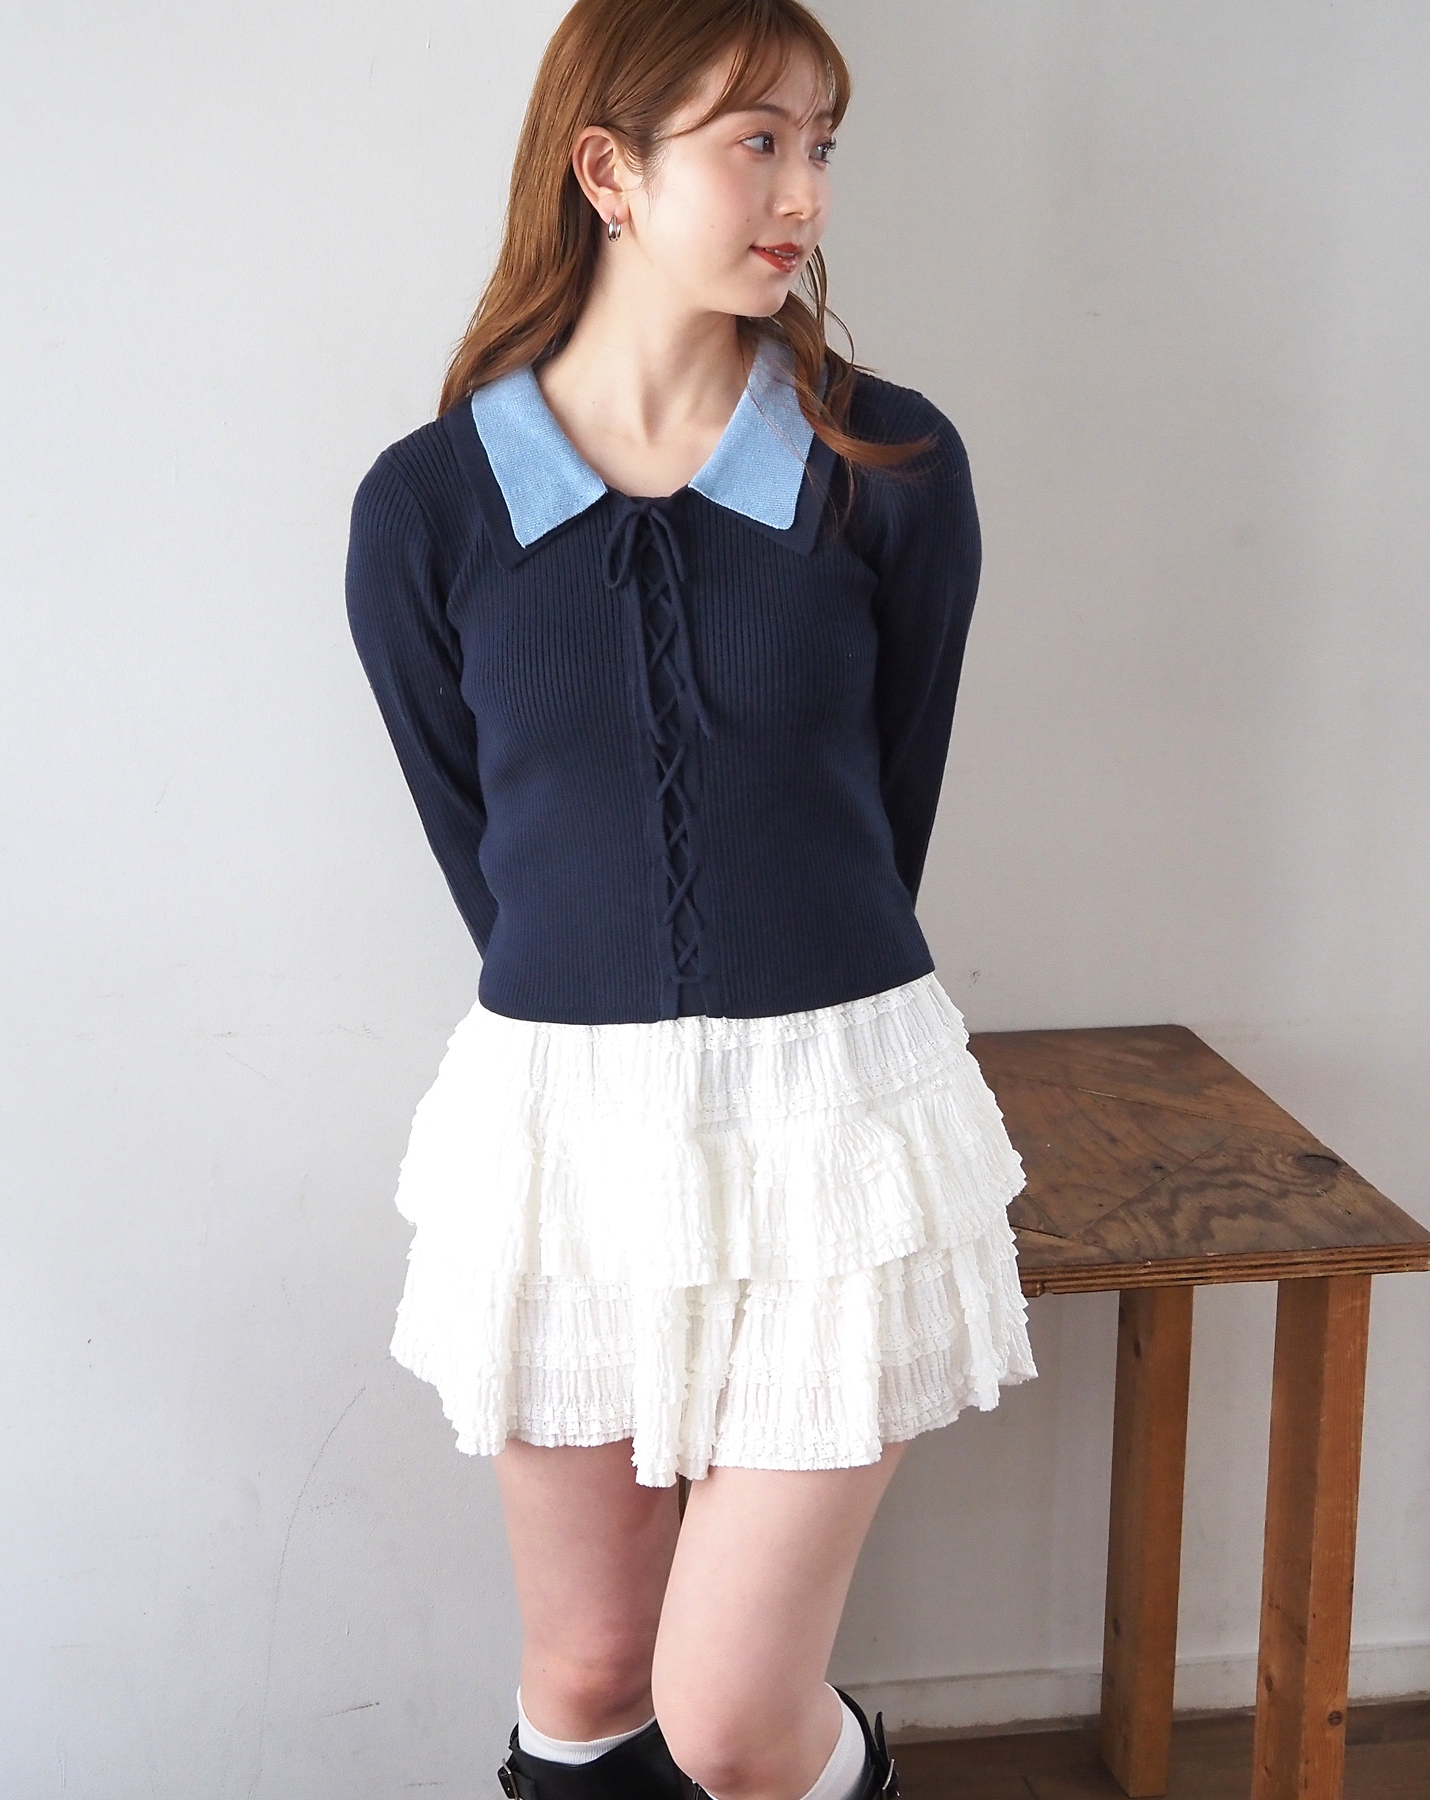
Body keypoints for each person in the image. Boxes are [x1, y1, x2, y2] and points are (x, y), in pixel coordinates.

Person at [344, 2, 1036, 1796]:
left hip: (834, 1118)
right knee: (586, 1680)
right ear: (609, 171)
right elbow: (489, 855)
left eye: (823, 146)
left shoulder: (890, 468)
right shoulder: (427, 511)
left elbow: (885, 809)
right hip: (563, 1132)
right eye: (759, 143)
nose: (806, 194)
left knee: (728, 1719)